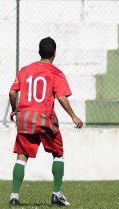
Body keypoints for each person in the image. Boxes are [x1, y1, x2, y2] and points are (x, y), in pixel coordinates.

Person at [8, 37, 83, 206]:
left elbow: (12, 92)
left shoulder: (25, 70)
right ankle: (57, 194)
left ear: (39, 51)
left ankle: (14, 196)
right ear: (54, 53)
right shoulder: (55, 72)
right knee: (58, 153)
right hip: (44, 118)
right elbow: (61, 96)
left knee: (22, 156)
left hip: (25, 118)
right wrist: (73, 116)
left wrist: (15, 108)